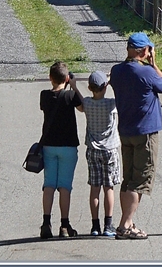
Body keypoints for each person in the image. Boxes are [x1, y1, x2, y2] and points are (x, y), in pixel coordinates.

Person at [108, 31, 162, 240]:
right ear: (144, 51)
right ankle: (125, 225)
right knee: (140, 180)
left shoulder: (116, 71)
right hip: (145, 132)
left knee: (128, 179)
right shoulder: (147, 73)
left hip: (125, 131)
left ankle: (128, 222)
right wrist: (153, 64)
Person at [39, 61, 83, 238]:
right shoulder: (70, 96)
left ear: (50, 78)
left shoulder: (44, 95)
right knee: (64, 186)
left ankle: (46, 223)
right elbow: (82, 108)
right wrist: (73, 86)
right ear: (66, 78)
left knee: (49, 185)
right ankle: (64, 225)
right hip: (68, 146)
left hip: (49, 145)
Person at [81, 69, 122, 237]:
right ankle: (108, 225)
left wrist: (75, 86)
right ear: (105, 87)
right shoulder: (111, 104)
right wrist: (112, 81)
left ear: (90, 88)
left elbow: (78, 98)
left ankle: (95, 226)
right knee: (109, 188)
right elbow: (121, 97)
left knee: (94, 189)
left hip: (92, 150)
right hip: (110, 150)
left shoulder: (87, 103)